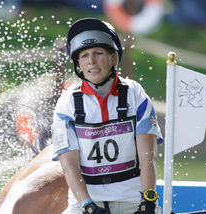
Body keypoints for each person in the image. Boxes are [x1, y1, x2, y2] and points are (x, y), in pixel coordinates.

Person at [51, 17, 162, 214]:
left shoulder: (135, 93)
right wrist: (88, 205)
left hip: (133, 201)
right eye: (84, 56)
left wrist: (148, 202)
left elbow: (148, 157)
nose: (91, 61)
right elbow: (69, 166)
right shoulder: (66, 102)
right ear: (78, 63)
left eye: (98, 53)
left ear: (112, 58)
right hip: (84, 204)